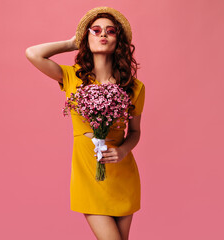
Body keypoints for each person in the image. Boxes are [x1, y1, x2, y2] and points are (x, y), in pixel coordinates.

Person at [25, 6, 145, 240]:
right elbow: (32, 53)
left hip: (123, 177)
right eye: (96, 30)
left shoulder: (134, 87)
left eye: (110, 31)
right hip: (88, 177)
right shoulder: (72, 77)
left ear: (118, 40)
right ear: (86, 37)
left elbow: (136, 132)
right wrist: (72, 43)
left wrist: (122, 150)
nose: (102, 35)